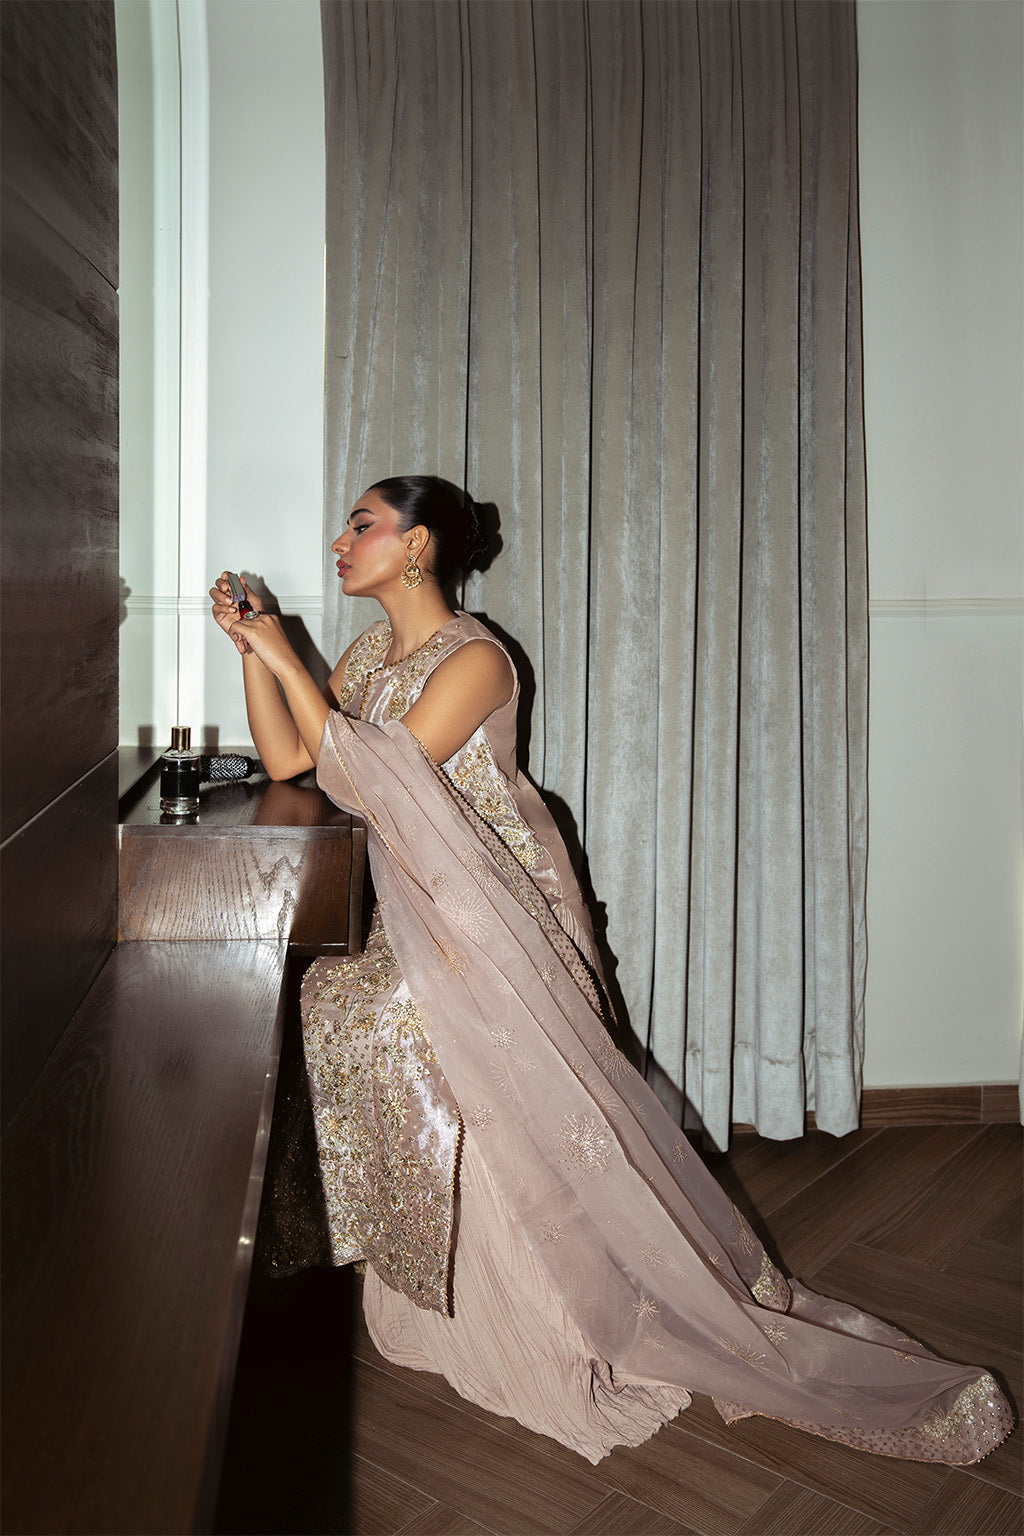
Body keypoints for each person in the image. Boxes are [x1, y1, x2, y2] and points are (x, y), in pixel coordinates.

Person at [210, 475, 1012, 1466]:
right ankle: (440, 1295)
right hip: (419, 907)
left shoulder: (476, 658)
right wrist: (253, 653)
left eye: (362, 524)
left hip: (498, 910)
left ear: (417, 546)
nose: (341, 540)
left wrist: (283, 651)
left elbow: (379, 777)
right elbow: (291, 761)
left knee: (396, 1032)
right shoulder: (374, 654)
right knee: (338, 1007)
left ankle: (548, 1315)